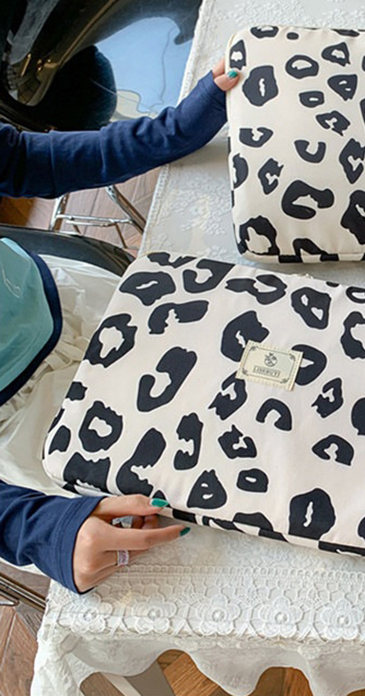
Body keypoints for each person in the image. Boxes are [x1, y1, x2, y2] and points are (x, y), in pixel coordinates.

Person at [0, 59, 239, 593]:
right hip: (29, 431)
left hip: (73, 303)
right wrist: (35, 529)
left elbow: (22, 158)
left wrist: (173, 131)